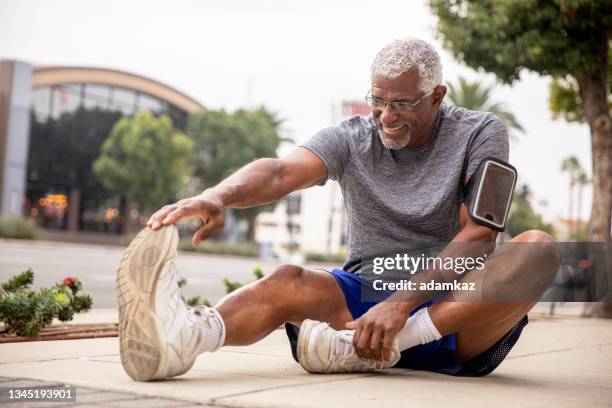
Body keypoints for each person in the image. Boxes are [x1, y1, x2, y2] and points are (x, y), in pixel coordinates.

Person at [116, 38, 560, 382]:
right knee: (284, 281)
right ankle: (183, 340)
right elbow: (278, 173)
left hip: (450, 315)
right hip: (358, 309)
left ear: (437, 95)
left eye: (402, 103)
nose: (386, 116)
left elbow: (481, 235)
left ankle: (384, 346)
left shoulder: (480, 132)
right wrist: (218, 196)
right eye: (378, 100)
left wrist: (400, 307)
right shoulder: (352, 137)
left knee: (539, 250)